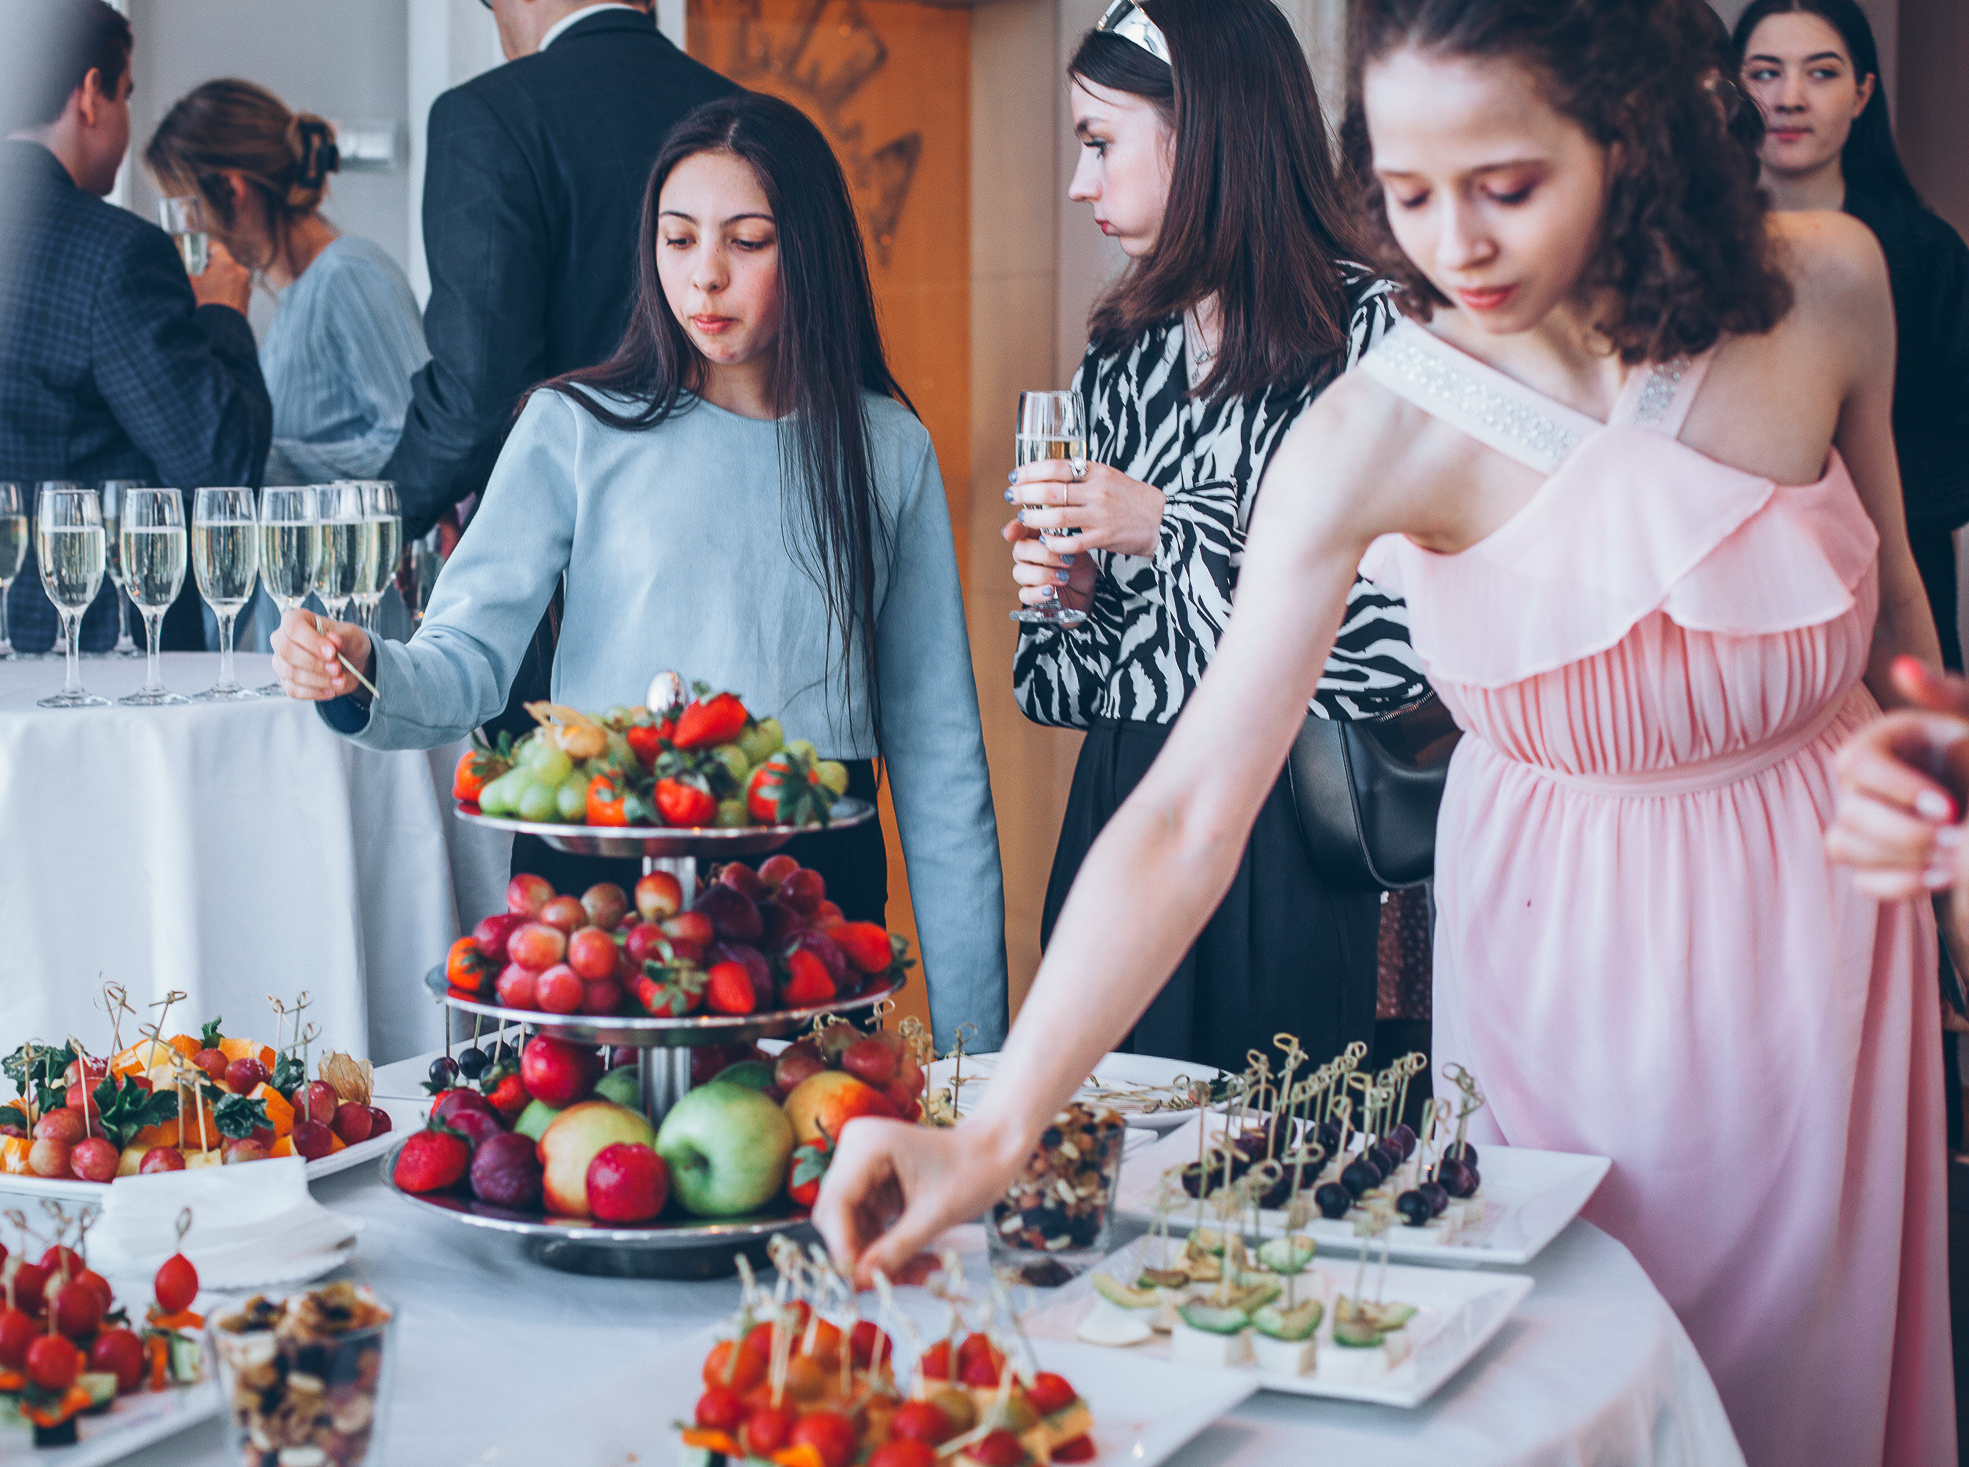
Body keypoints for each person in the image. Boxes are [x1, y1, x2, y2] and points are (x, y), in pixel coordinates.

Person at [817, 0, 1954, 1461]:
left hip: (1829, 950)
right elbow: (1182, 811)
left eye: (1505, 186)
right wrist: (993, 1127)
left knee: (1816, 1394)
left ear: (1631, 138)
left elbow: (1903, 609)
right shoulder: (1380, 426)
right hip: (1558, 963)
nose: (1454, 247)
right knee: (1567, 1385)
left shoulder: (1833, 288)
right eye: (1409, 197)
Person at [273, 94, 1010, 1046]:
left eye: (748, 241)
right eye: (678, 238)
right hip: (600, 892)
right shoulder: (574, 426)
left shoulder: (886, 449)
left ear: (812, 251)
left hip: (808, 903)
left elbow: (941, 762)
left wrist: (977, 1060)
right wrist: (362, 664)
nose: (704, 275)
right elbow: (466, 658)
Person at [1008, 0, 1424, 1074]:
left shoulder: (1373, 335)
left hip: (1294, 825)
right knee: (1113, 1167)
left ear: (1203, 133)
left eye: (1099, 143)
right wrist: (1068, 594)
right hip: (1125, 805)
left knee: (1284, 1178)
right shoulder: (1120, 353)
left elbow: (1400, 644)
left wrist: (1168, 525)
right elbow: (1069, 690)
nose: (1078, 183)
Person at [382, 0, 738, 740]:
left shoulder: (488, 116)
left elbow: (477, 394)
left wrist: (372, 521)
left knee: (578, 834)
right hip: (747, 589)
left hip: (572, 607)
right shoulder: (750, 120)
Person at [0, 0, 269, 658]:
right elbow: (220, 468)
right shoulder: (115, 253)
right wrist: (224, 312)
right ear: (90, 95)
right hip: (90, 658)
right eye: (125, 96)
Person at [144, 79, 428, 650]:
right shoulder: (294, 298)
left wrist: (258, 465)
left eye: (187, 211)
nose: (185, 236)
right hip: (308, 626)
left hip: (355, 631)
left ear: (232, 189)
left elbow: (418, 440)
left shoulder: (350, 275)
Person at [1736, 0, 1969, 673]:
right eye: (1764, 72)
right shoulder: (1692, 256)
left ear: (1863, 92)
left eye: (1822, 73)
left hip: (1897, 571)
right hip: (1740, 587)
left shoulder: (1927, 252)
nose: (1788, 98)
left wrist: (1855, 494)